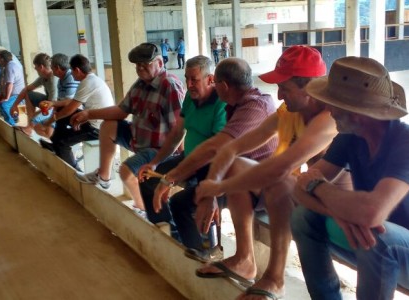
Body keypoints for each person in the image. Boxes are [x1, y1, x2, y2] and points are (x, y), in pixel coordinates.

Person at [291, 56, 409, 299]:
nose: (329, 110)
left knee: (376, 237)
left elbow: (371, 214)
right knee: (303, 217)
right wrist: (338, 212)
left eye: (333, 103)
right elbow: (299, 191)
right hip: (371, 241)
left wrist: (318, 185)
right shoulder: (351, 137)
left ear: (356, 113)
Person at [193, 46, 341, 300]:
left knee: (280, 180)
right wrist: (210, 189)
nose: (280, 95)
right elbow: (231, 149)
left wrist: (216, 189)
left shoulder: (329, 118)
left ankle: (275, 277)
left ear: (309, 89)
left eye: (285, 88)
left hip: (337, 201)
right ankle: (244, 259)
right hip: (307, 191)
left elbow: (283, 166)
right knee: (237, 163)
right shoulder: (289, 112)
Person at [153, 57, 277, 264]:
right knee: (183, 200)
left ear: (223, 85)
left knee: (188, 200)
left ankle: (208, 251)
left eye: (213, 83)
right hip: (235, 178)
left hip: (258, 187)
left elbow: (216, 148)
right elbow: (221, 152)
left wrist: (171, 179)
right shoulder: (236, 104)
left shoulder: (253, 106)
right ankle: (198, 251)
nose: (191, 85)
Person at [71, 43, 185, 214]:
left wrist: (177, 161)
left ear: (160, 63)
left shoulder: (169, 86)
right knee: (108, 126)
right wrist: (89, 114)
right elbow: (121, 111)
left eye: (145, 64)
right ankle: (103, 176)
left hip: (159, 148)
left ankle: (142, 209)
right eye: (137, 65)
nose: (140, 69)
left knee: (126, 171)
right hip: (138, 138)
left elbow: (179, 129)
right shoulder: (140, 84)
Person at [136, 55, 226, 230]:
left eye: (194, 80)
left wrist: (175, 176)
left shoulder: (220, 103)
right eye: (187, 78)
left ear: (210, 79)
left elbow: (216, 149)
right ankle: (165, 227)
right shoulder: (190, 99)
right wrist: (155, 163)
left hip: (210, 165)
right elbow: (177, 133)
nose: (189, 84)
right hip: (188, 158)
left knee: (193, 202)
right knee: (147, 179)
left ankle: (201, 247)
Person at [40, 54, 114, 171]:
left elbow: (70, 109)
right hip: (93, 120)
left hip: (98, 128)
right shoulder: (91, 79)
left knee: (62, 143)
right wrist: (54, 104)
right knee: (61, 113)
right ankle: (55, 143)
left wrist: (49, 121)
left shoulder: (87, 82)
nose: (71, 74)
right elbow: (72, 101)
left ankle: (76, 172)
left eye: (72, 71)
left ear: (77, 70)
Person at [10, 53, 59, 137]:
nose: (35, 69)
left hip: (57, 106)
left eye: (35, 67)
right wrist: (15, 105)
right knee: (28, 94)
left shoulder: (53, 79)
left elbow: (52, 105)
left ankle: (30, 127)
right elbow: (26, 89)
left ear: (41, 67)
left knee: (47, 132)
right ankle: (29, 125)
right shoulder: (43, 77)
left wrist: (35, 118)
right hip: (48, 102)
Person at [0, 50, 25, 126]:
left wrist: (6, 98)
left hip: (18, 95)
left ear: (2, 59)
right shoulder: (10, 65)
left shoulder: (10, 67)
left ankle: (12, 124)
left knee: (4, 105)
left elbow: (9, 84)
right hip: (14, 94)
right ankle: (13, 118)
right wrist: (2, 95)